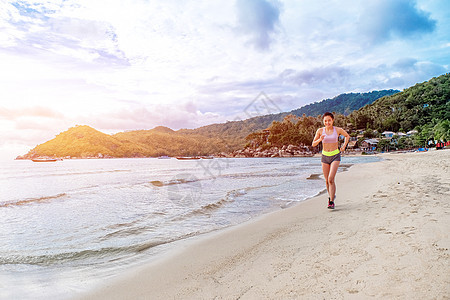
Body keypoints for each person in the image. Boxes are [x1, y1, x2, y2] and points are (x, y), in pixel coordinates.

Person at [312, 112, 350, 209]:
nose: (327, 122)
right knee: (326, 181)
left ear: (332, 120)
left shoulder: (337, 130)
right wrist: (320, 139)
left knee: (330, 179)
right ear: (323, 122)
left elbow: (347, 136)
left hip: (335, 156)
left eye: (329, 120)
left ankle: (331, 201)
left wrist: (344, 146)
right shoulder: (320, 131)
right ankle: (331, 196)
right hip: (325, 156)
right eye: (325, 121)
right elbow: (313, 144)